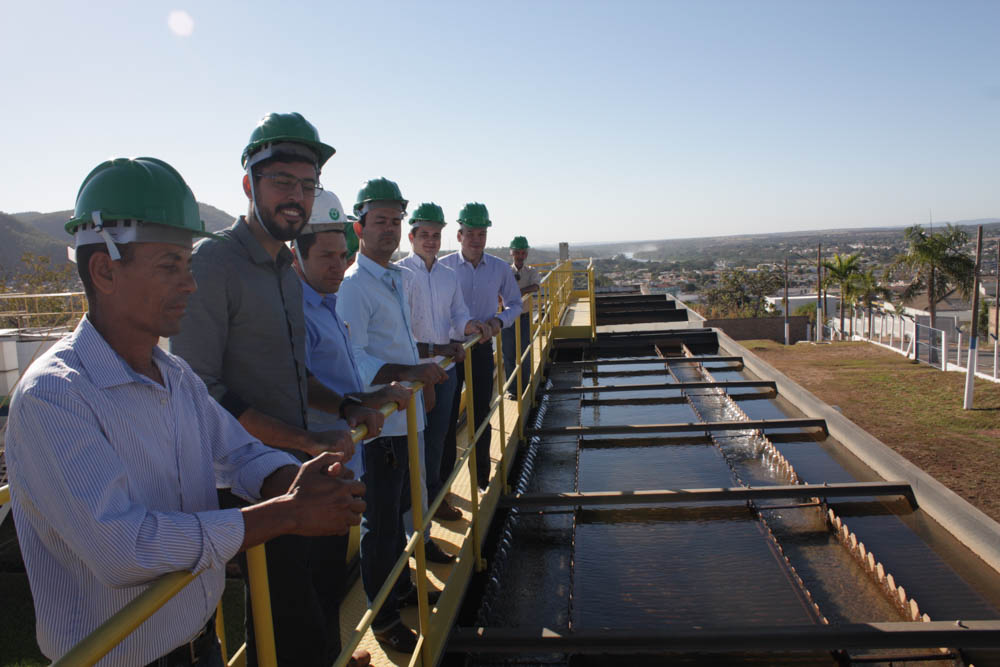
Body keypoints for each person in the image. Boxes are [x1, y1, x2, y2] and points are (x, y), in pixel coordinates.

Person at [5, 156, 367, 667]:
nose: (190, 284)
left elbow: (239, 453)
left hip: (199, 645)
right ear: (104, 270)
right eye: (169, 266)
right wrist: (288, 513)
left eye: (188, 265)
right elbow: (125, 549)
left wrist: (294, 479)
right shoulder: (55, 397)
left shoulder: (174, 376)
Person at [171, 112, 378, 667]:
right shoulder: (215, 263)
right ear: (249, 184)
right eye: (282, 181)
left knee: (320, 598)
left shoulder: (286, 268)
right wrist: (305, 441)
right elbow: (202, 389)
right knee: (282, 620)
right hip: (252, 483)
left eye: (307, 185)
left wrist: (345, 405)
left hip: (302, 469)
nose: (297, 197)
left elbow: (295, 373)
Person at [290, 189, 415, 655]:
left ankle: (336, 652)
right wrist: (356, 405)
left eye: (341, 255)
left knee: (327, 580)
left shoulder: (328, 301)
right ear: (297, 256)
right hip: (318, 463)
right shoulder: (299, 312)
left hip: (345, 453)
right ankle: (378, 623)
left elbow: (341, 376)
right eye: (326, 256)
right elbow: (303, 383)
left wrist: (369, 398)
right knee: (313, 583)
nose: (338, 266)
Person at [336, 179, 450, 653]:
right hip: (381, 428)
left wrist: (421, 381)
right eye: (380, 221)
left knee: (402, 514)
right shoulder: (354, 286)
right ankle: (382, 619)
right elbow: (354, 358)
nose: (389, 229)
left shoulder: (393, 278)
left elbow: (400, 345)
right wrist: (408, 373)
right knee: (381, 526)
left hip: (407, 419)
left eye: (395, 221)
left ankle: (400, 588)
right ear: (359, 228)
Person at [397, 203, 490, 521]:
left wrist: (470, 327)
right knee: (413, 447)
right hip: (412, 376)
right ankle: (413, 514)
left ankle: (435, 500)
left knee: (438, 440)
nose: (431, 241)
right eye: (424, 235)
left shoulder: (448, 277)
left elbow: (458, 314)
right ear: (411, 237)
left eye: (436, 235)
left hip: (444, 372)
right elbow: (400, 332)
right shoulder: (399, 275)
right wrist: (432, 356)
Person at [440, 203, 522, 490]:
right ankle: (444, 488)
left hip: (481, 349)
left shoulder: (499, 268)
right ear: (459, 235)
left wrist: (499, 321)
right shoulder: (443, 267)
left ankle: (481, 479)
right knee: (447, 418)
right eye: (471, 233)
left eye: (482, 234)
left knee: (481, 414)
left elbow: (515, 304)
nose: (476, 240)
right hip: (449, 353)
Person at [502, 236, 540, 391]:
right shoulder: (505, 271)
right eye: (517, 252)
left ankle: (524, 387)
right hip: (507, 319)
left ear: (526, 254)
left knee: (525, 353)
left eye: (523, 252)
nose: (520, 255)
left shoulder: (531, 271)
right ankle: (512, 389)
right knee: (509, 354)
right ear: (511, 253)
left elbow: (535, 286)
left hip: (524, 317)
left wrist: (516, 292)